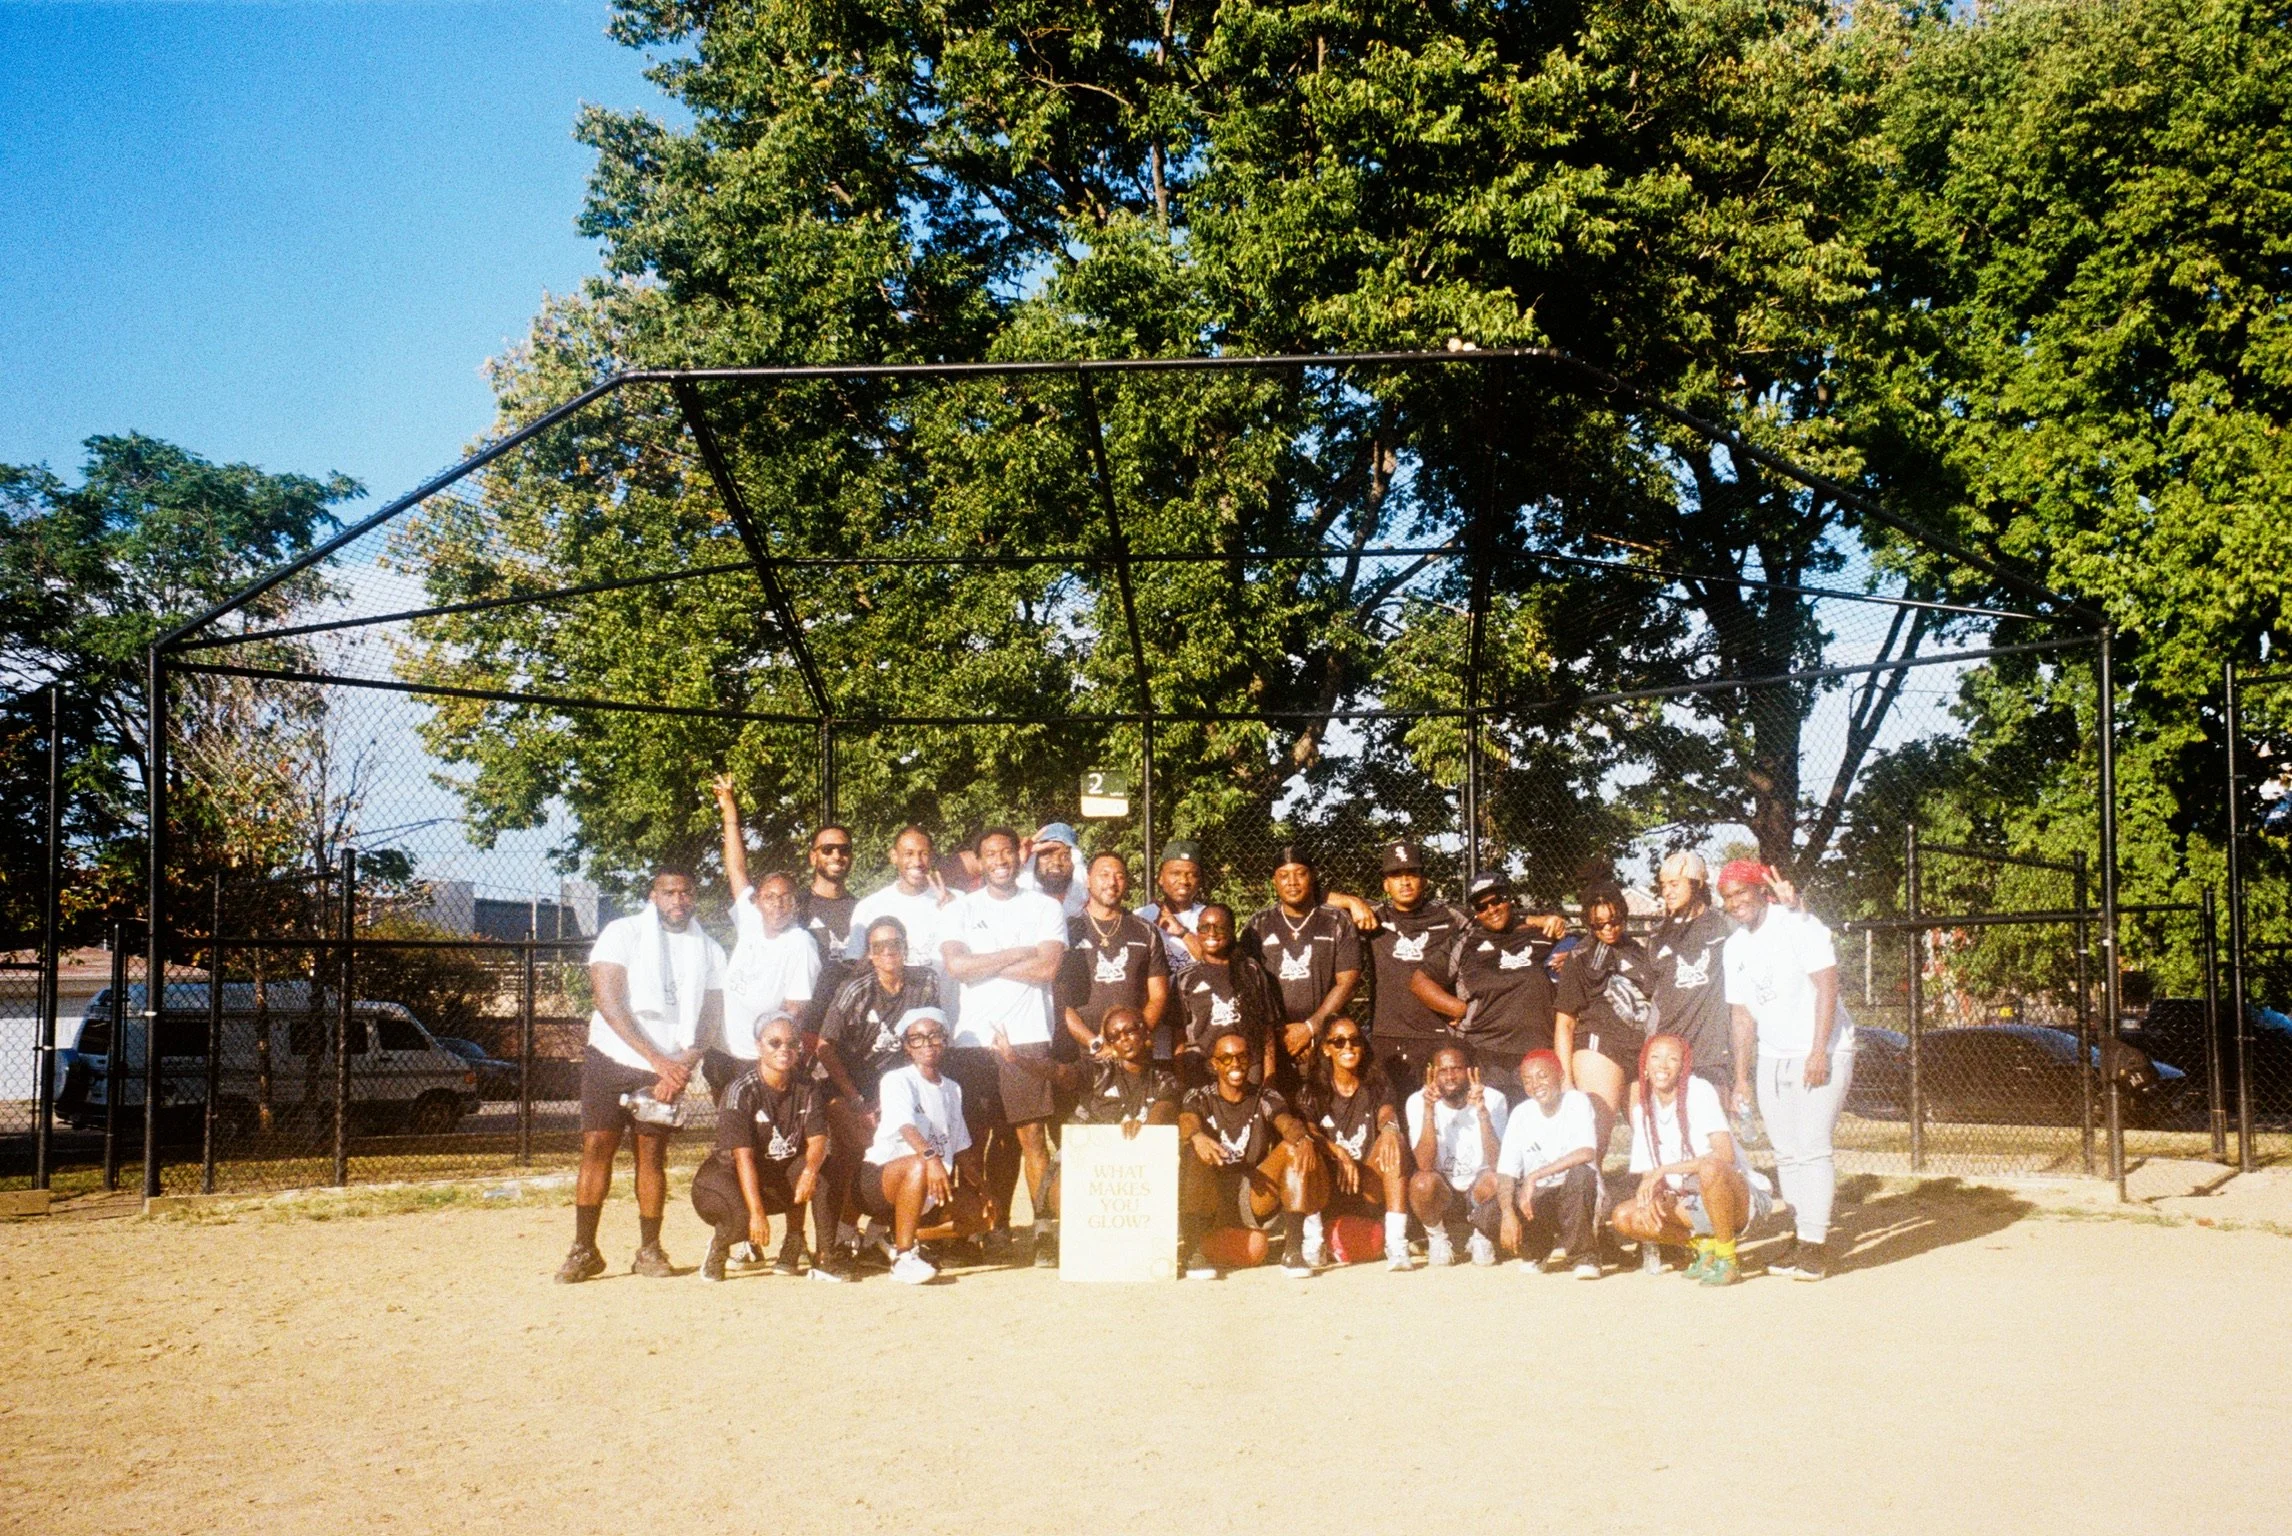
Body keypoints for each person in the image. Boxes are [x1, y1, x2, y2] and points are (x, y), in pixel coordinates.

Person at [557, 866, 726, 1283]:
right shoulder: (623, 932)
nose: (678, 900)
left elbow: (710, 1016)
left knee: (652, 1155)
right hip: (614, 1057)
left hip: (668, 1069)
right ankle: (584, 1249)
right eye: (669, 892)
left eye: (686, 893)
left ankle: (649, 1249)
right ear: (654, 896)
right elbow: (608, 1000)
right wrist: (658, 1060)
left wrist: (681, 1065)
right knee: (597, 1147)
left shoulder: (709, 949)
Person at [941, 826, 1069, 1263]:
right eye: (989, 853)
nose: (999, 859)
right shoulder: (961, 908)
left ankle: (1044, 1231)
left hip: (1028, 1035)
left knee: (1032, 1138)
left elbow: (1048, 967)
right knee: (972, 1139)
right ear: (979, 860)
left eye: (1007, 851)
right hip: (973, 1040)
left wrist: (985, 965)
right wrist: (1017, 952)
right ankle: (974, 1230)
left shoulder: (1044, 907)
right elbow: (957, 966)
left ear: (1020, 855)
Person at [1722, 860, 1854, 1281]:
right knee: (1785, 1151)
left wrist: (1819, 1051)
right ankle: (1800, 1235)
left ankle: (1815, 1246)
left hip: (1822, 1048)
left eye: (1741, 891)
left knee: (1812, 1146)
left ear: (1761, 890)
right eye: (1727, 896)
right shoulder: (1734, 947)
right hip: (1774, 1055)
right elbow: (1742, 1016)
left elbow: (1827, 985)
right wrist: (1742, 1077)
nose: (1735, 902)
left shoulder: (1796, 921)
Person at [991, 1004, 1180, 1266]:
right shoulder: (1099, 1072)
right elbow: (1058, 1071)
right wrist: (1016, 1059)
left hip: (1133, 1167)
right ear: (1110, 1044)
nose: (1124, 1039)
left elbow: (1166, 1107)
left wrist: (1146, 1127)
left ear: (1145, 1033)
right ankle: (1080, 1240)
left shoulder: (1163, 1079)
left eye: (1130, 1030)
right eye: (1115, 1036)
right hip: (1093, 1165)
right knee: (1060, 1189)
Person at [814, 914, 943, 1256]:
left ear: (905, 947)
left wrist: (901, 1097)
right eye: (879, 946)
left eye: (894, 944)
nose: (888, 951)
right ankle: (842, 1232)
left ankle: (878, 1232)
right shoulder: (855, 990)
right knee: (862, 1152)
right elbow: (824, 1047)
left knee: (905, 1151)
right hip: (848, 1088)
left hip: (894, 1090)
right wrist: (856, 1099)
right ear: (869, 953)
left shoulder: (924, 983)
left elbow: (929, 1036)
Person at [689, 1013, 845, 1282]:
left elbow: (818, 1140)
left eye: (791, 1043)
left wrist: (809, 1172)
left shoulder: (807, 1087)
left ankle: (819, 1256)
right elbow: (743, 1159)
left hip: (775, 1175)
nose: (784, 1049)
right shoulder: (741, 1090)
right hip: (729, 1178)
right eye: (774, 1042)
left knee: (822, 1170)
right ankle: (720, 1245)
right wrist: (757, 1214)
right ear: (759, 1046)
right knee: (740, 1221)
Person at [1610, 1032, 1771, 1286]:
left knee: (1708, 1167)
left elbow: (1724, 1157)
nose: (1663, 1065)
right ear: (1645, 1067)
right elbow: (1648, 1174)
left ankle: (1728, 1260)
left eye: (1672, 1059)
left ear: (1683, 1066)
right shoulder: (1643, 1110)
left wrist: (1665, 1170)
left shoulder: (1699, 1091)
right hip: (1691, 1202)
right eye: (1655, 1058)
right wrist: (1652, 1193)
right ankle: (1704, 1247)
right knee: (1624, 1216)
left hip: (1738, 1199)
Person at [1178, 1029, 1327, 1278]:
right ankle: (1194, 1251)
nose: (1235, 1063)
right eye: (1226, 1058)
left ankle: (1293, 1251)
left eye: (1241, 1057)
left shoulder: (1264, 1096)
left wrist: (1302, 1137)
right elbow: (1186, 1120)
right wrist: (1197, 1136)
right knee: (1194, 1151)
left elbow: (1286, 1122)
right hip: (1212, 1190)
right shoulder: (1200, 1095)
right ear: (1214, 1064)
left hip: (1251, 1192)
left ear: (1250, 1060)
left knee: (1293, 1148)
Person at [861, 1007, 992, 1284]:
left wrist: (984, 1189)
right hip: (883, 1181)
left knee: (982, 1216)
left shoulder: (953, 1088)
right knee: (918, 1164)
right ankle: (903, 1258)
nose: (927, 1044)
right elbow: (906, 1127)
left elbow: (962, 1149)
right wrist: (931, 1159)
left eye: (933, 1036)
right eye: (917, 1038)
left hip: (930, 1188)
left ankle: (891, 1238)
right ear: (907, 1047)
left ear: (944, 1040)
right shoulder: (897, 1080)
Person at [710, 778, 821, 1100]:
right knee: (727, 1133)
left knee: (755, 1136)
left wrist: (771, 1051)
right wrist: (729, 810)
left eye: (786, 898)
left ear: (795, 904)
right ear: (757, 901)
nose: (777, 903)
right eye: (770, 897)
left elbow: (795, 1008)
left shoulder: (800, 943)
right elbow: (736, 867)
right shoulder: (750, 920)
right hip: (723, 1047)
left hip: (758, 1056)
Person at [1333, 839, 1471, 1095]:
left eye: (1411, 874)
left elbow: (1495, 919)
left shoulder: (1449, 916)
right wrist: (1352, 902)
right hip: (1388, 1035)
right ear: (1386, 884)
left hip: (1438, 1033)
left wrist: (1540, 920)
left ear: (1424, 880)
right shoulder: (1375, 915)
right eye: (1396, 876)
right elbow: (1318, 896)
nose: (1405, 882)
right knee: (1392, 1115)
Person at [1411, 873, 1560, 1096]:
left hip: (1537, 1052)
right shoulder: (1466, 943)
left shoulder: (1541, 936)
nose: (1492, 909)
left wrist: (1568, 948)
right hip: (1485, 1051)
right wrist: (1456, 1007)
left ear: (1509, 899)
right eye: (1482, 906)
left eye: (1497, 900)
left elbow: (1578, 948)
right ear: (1475, 912)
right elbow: (1419, 981)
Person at [1293, 1019, 1409, 1270]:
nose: (1348, 1046)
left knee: (1394, 1140)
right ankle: (1313, 1241)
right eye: (1339, 1041)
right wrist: (1338, 1152)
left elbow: (1386, 1113)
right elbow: (1310, 1130)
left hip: (1366, 1184)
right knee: (1305, 1147)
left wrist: (1390, 1129)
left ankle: (1397, 1242)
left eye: (1355, 1040)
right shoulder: (1312, 1089)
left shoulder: (1376, 1085)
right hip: (1328, 1189)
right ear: (1326, 1048)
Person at [1243, 847, 1361, 1086]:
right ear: (1274, 882)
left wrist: (1310, 1029)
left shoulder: (1336, 921)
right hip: (1273, 1041)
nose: (1292, 882)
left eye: (1300, 874)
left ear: (1313, 876)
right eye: (1284, 876)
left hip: (1325, 1039)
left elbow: (1348, 982)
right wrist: (1280, 1034)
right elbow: (1246, 985)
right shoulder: (1258, 924)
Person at [1553, 889, 1656, 1137]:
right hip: (1600, 1045)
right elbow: (1564, 1023)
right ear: (1590, 924)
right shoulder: (1580, 957)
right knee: (1596, 1134)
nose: (1608, 929)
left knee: (1650, 1135)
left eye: (1615, 921)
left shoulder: (1639, 952)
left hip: (1637, 1047)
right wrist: (1565, 1080)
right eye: (1599, 925)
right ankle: (1587, 1177)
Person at [1493, 1049, 1602, 1277]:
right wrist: (1507, 1214)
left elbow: (1586, 1152)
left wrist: (1534, 1176)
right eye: (1527, 1080)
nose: (1535, 1085)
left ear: (1560, 1076)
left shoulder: (1576, 1101)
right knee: (1488, 1214)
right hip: (1541, 1197)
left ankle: (1584, 1257)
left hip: (1574, 1193)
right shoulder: (1521, 1114)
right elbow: (1506, 1172)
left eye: (1542, 1076)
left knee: (1581, 1174)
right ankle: (1537, 1249)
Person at [1405, 1045, 1510, 1266]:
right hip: (1445, 1193)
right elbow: (1424, 1164)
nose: (1450, 1077)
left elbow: (1497, 1162)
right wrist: (1428, 1112)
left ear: (1471, 1071)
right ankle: (1437, 1238)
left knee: (1497, 1178)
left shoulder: (1493, 1098)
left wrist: (1482, 1113)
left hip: (1478, 1190)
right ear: (1432, 1073)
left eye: (1457, 1069)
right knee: (1422, 1183)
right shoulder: (1417, 1101)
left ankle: (1483, 1234)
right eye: (1443, 1070)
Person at [1060, 851, 1171, 1059]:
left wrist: (1133, 1039)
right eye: (1104, 874)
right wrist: (1095, 1044)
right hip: (1082, 1052)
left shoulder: (1145, 930)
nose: (1112, 882)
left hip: (1133, 1054)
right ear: (1087, 880)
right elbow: (1059, 1000)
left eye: (1119, 876)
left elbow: (1159, 995)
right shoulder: (1067, 930)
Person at [846, 824, 957, 1024]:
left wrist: (954, 911)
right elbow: (857, 970)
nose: (917, 861)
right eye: (909, 853)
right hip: (891, 1026)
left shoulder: (955, 901)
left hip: (948, 1021)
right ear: (893, 856)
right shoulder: (870, 906)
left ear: (932, 857)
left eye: (923, 854)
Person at [1646, 851, 1736, 1092]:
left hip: (1711, 1050)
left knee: (1715, 1124)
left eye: (1675, 884)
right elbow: (1653, 996)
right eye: (1663, 886)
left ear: (1696, 884)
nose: (1667, 892)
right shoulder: (1658, 935)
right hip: (1670, 1048)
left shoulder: (1724, 925)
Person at [1171, 903, 1277, 1087]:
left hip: (1247, 1066)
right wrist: (1181, 1081)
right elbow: (1179, 1036)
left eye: (1219, 927)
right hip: (1202, 1066)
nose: (1211, 933)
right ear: (1197, 931)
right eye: (1205, 927)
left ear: (1231, 930)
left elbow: (1267, 1030)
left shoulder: (1250, 969)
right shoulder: (1185, 977)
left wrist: (1270, 1080)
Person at [1135, 839, 1209, 976]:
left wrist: (1182, 932)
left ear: (1200, 881)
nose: (1184, 881)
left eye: (1192, 874)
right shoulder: (1140, 917)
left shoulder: (1208, 916)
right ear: (1160, 878)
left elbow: (1217, 965)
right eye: (1175, 873)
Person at [798, 823, 858, 969]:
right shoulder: (797, 906)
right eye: (827, 850)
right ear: (813, 857)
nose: (836, 856)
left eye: (844, 850)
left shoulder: (863, 910)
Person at [1020, 821, 1090, 919]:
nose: (1056, 862)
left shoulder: (1088, 907)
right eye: (1047, 855)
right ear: (1034, 860)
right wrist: (1016, 864)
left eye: (1065, 856)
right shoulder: (1018, 902)